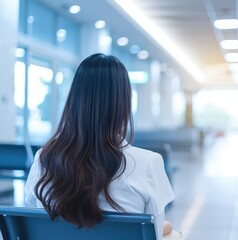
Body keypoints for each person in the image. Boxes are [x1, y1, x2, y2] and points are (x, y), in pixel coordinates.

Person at [24, 53, 180, 240]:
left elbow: (37, 221)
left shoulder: (44, 158)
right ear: (123, 103)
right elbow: (152, 233)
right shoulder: (147, 162)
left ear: (74, 100)